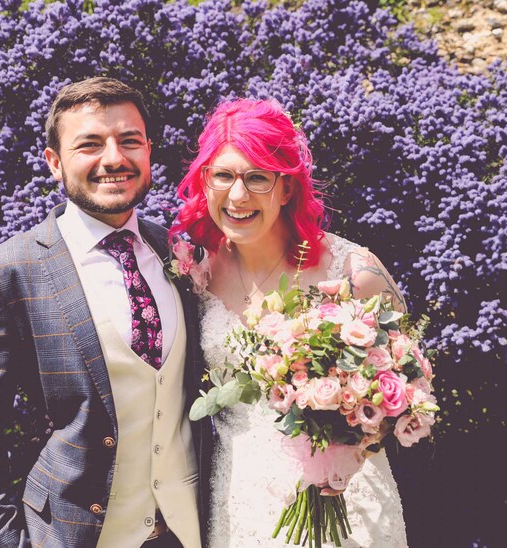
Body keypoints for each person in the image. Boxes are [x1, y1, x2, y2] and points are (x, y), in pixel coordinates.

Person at [0, 77, 212, 548]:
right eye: (89, 144)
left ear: (148, 151)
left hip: (191, 526)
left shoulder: (182, 253)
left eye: (130, 141)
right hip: (76, 533)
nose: (114, 158)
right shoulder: (5, 274)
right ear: (54, 162)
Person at [171, 99, 409, 547]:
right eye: (222, 175)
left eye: (257, 177)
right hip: (239, 497)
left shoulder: (353, 271)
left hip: (344, 500)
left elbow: (406, 390)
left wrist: (354, 446)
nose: (237, 196)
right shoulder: (196, 275)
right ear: (205, 182)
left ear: (287, 187)